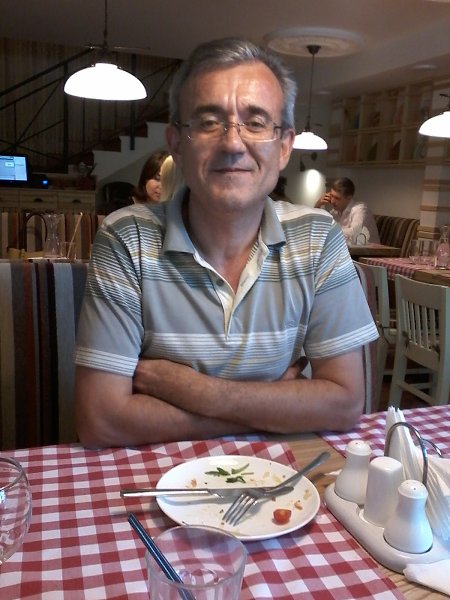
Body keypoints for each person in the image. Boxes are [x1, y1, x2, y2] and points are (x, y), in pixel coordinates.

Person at [74, 37, 378, 448]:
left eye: (256, 122)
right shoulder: (125, 237)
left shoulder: (318, 236)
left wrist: (202, 393)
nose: (233, 143)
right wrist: (273, 403)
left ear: (284, 146)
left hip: (285, 478)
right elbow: (101, 420)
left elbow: (344, 403)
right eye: (208, 121)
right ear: (177, 145)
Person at [315, 177, 380, 244]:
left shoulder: (360, 209)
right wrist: (317, 206)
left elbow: (354, 233)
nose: (332, 201)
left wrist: (328, 230)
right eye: (331, 196)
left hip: (369, 250)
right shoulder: (335, 211)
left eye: (337, 198)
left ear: (349, 198)